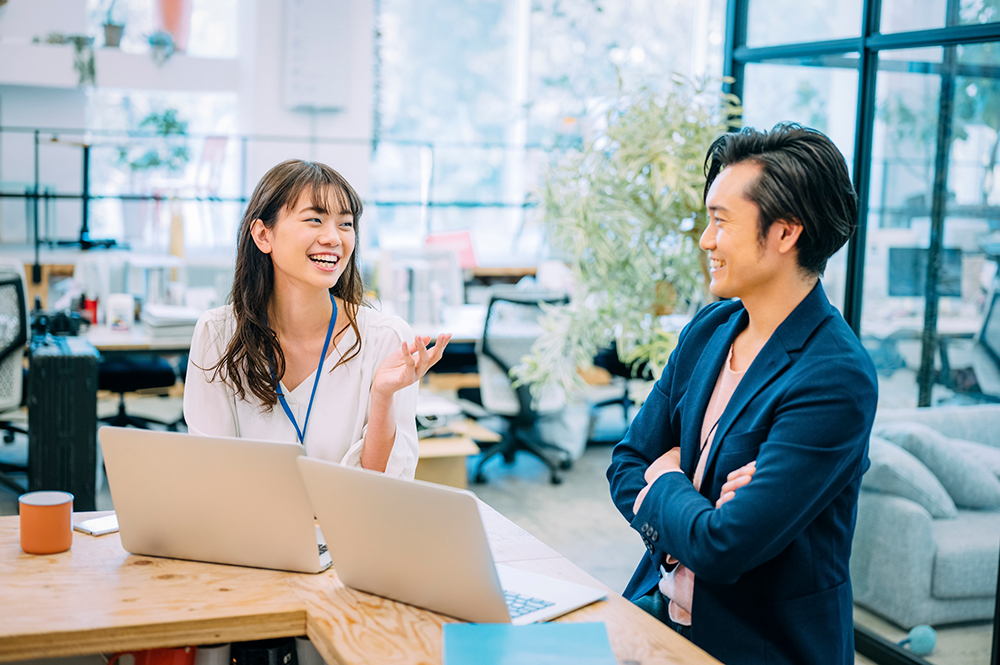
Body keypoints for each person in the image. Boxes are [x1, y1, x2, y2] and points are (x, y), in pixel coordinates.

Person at [607, 123, 878, 664]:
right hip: (657, 618)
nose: (706, 240)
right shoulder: (711, 328)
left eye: (720, 221)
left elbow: (725, 547)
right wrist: (695, 502)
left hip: (754, 647)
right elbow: (625, 463)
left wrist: (665, 481)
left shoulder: (835, 377)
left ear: (784, 233)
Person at [184, 159, 450, 479]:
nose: (333, 238)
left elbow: (384, 487)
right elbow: (213, 471)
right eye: (314, 219)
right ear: (263, 235)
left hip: (346, 526)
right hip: (249, 527)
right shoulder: (218, 333)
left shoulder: (386, 338)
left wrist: (382, 396)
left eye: (346, 224)